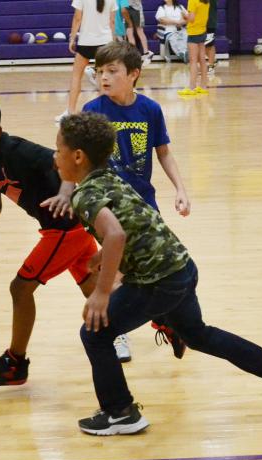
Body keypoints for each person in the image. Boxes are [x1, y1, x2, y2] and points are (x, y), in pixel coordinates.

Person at [54, 111, 262, 436]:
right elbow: (134, 223)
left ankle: (121, 412)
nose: (55, 157)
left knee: (94, 334)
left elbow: (116, 235)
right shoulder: (111, 177)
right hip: (181, 266)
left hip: (157, 281)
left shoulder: (85, 194)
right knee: (197, 334)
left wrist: (101, 292)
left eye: (58, 150)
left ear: (78, 157)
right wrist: (102, 257)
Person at [0, 95, 99, 387]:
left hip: (66, 228)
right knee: (96, 293)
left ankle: (15, 363)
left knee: (20, 288)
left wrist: (66, 193)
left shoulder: (19, 152)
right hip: (64, 230)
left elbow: (65, 160)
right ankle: (165, 320)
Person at [83, 41, 190, 362]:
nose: (104, 77)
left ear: (133, 75)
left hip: (144, 206)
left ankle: (165, 321)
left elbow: (164, 153)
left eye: (112, 71)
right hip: (107, 207)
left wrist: (180, 189)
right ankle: (117, 335)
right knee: (114, 271)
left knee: (151, 273)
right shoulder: (93, 112)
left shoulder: (150, 110)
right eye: (99, 71)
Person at [54, 0, 117, 122]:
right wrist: (113, 41)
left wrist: (72, 39)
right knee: (104, 76)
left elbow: (77, 18)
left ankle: (70, 112)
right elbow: (112, 21)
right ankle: (103, 112)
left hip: (86, 41)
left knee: (76, 76)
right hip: (105, 41)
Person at [177, 0, 210, 96]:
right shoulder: (206, 1)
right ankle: (203, 86)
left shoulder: (192, 0)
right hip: (202, 30)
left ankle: (192, 87)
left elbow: (191, 18)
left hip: (193, 32)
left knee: (193, 61)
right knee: (202, 60)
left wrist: (184, 15)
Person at [125, 0, 154, 65]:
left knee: (139, 30)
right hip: (126, 8)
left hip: (136, 8)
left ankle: (146, 53)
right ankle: (133, 54)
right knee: (129, 32)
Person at [205, 0, 218, 74]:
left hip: (210, 23)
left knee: (209, 45)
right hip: (200, 24)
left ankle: (211, 66)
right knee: (202, 45)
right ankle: (213, 60)